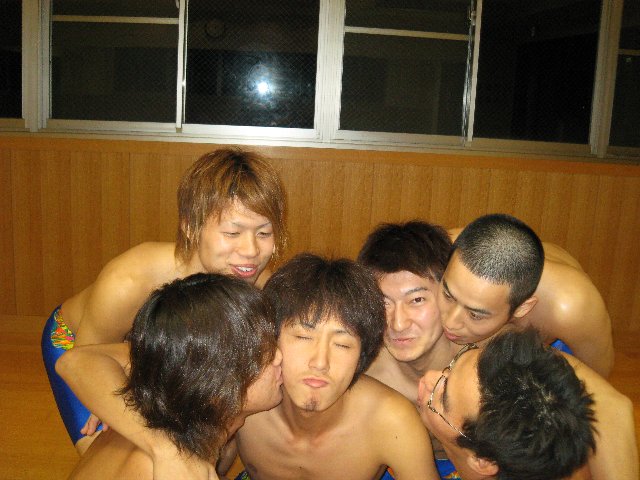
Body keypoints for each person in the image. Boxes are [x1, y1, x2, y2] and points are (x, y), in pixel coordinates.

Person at [41, 148, 287, 452]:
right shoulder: (129, 279)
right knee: (114, 448)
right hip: (80, 343)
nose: (251, 252)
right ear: (190, 226)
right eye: (232, 233)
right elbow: (85, 363)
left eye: (263, 233)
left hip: (167, 352)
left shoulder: (259, 284)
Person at [217, 253, 440, 480]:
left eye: (342, 344)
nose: (320, 363)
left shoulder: (391, 421)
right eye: (303, 337)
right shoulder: (242, 398)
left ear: (363, 356)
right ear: (271, 340)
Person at [56, 273, 284, 480]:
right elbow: (73, 361)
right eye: (263, 355)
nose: (280, 357)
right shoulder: (169, 469)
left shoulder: (165, 413)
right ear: (212, 383)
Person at [418, 328, 638, 480]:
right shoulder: (536, 386)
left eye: (442, 397)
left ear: (482, 461)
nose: (429, 378)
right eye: (452, 365)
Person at [442, 214, 614, 377]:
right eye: (448, 295)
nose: (450, 322)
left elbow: (597, 381)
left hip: (556, 342)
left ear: (522, 308)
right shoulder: (441, 250)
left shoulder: (572, 309)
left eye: (475, 315)